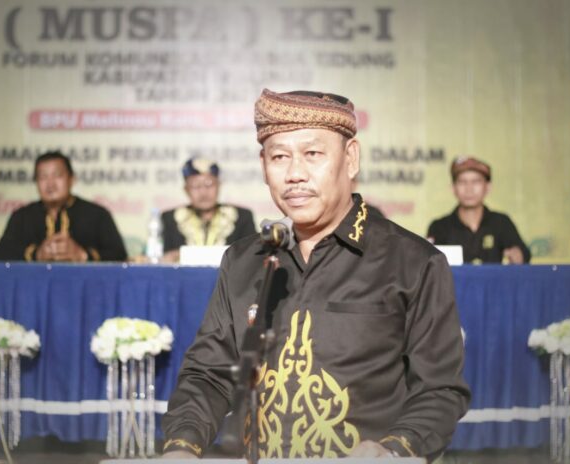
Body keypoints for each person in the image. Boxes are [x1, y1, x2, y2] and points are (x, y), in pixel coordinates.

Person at [161, 90, 470, 461]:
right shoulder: (244, 261)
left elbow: (440, 390)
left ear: (350, 158)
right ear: (263, 166)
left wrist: (394, 450)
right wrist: (181, 448)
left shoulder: (413, 262)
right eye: (279, 157)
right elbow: (208, 375)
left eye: (312, 154)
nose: (295, 174)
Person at [0, 151, 127, 262]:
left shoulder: (97, 215)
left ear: (72, 179)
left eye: (57, 175)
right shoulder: (22, 216)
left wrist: (83, 255)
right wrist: (36, 254)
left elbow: (119, 255)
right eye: (43, 177)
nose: (50, 184)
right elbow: (1, 253)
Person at [426, 156, 531, 264]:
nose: (469, 189)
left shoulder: (501, 223)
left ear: (488, 187)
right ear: (453, 188)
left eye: (476, 182)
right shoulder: (439, 227)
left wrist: (518, 255)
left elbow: (524, 255)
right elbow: (428, 265)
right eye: (462, 182)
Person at [160, 157, 256, 262]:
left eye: (209, 184)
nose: (203, 192)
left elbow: (251, 257)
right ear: (186, 189)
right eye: (196, 186)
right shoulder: (170, 218)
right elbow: (164, 258)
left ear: (219, 185)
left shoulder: (241, 217)